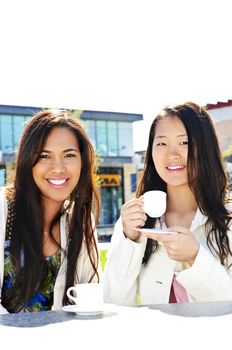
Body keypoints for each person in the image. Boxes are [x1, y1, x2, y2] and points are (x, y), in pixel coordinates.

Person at [103, 101, 232, 306]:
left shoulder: (229, 218)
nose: (172, 154)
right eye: (161, 143)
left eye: (185, 143)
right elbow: (113, 301)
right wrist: (130, 240)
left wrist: (195, 257)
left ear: (205, 147)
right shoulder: (135, 221)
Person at [0, 109, 100, 313]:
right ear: (29, 162)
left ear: (83, 162)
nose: (58, 168)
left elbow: (93, 295)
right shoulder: (3, 207)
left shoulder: (80, 222)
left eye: (69, 155)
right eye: (45, 156)